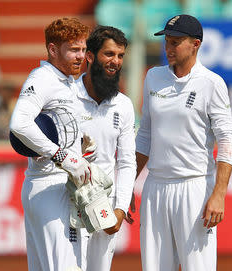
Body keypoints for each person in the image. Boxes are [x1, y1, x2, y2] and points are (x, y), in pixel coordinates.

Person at [133, 14, 232, 271]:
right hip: (155, 187)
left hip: (194, 188)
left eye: (176, 42)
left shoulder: (212, 83)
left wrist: (219, 194)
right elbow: (145, 135)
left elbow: (225, 141)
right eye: (167, 41)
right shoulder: (153, 77)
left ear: (196, 44)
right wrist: (127, 186)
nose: (168, 48)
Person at [9, 18, 91, 270]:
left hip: (58, 185)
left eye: (83, 49)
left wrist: (81, 143)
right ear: (53, 50)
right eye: (73, 49)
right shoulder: (43, 78)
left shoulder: (68, 82)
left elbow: (58, 125)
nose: (81, 56)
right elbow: (19, 124)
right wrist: (62, 156)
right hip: (49, 186)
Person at [75, 26, 136, 270]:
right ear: (90, 56)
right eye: (109, 54)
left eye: (120, 56)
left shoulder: (123, 105)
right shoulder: (68, 96)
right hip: (70, 201)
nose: (115, 62)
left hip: (106, 203)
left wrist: (119, 209)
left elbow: (127, 161)